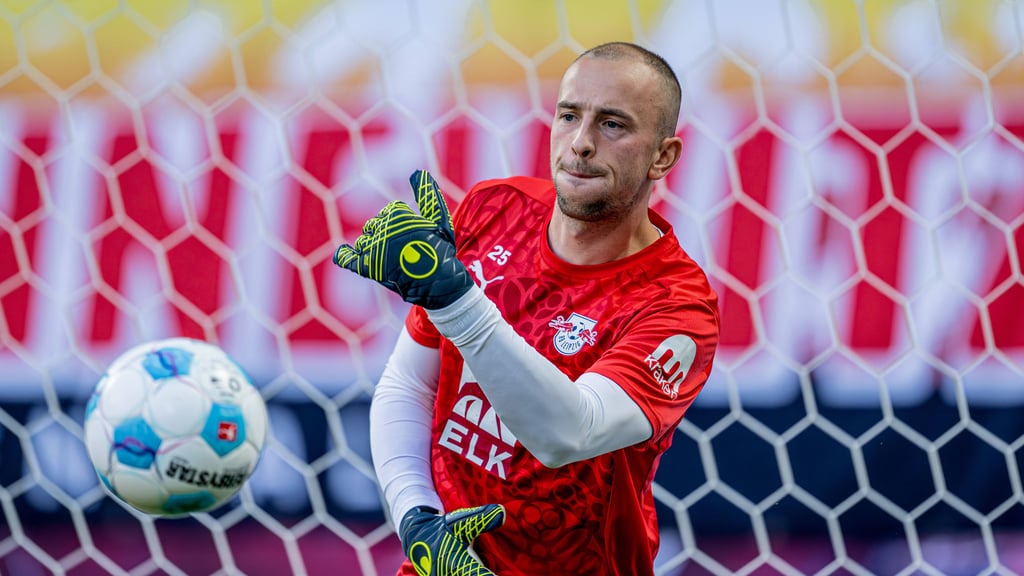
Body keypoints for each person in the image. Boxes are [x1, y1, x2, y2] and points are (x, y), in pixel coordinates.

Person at [336, 41, 720, 576]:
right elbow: (408, 387)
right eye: (569, 115)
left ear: (664, 156)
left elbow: (569, 434)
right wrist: (419, 525)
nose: (581, 143)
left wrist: (456, 300)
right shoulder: (495, 208)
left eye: (612, 125)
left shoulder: (677, 308)